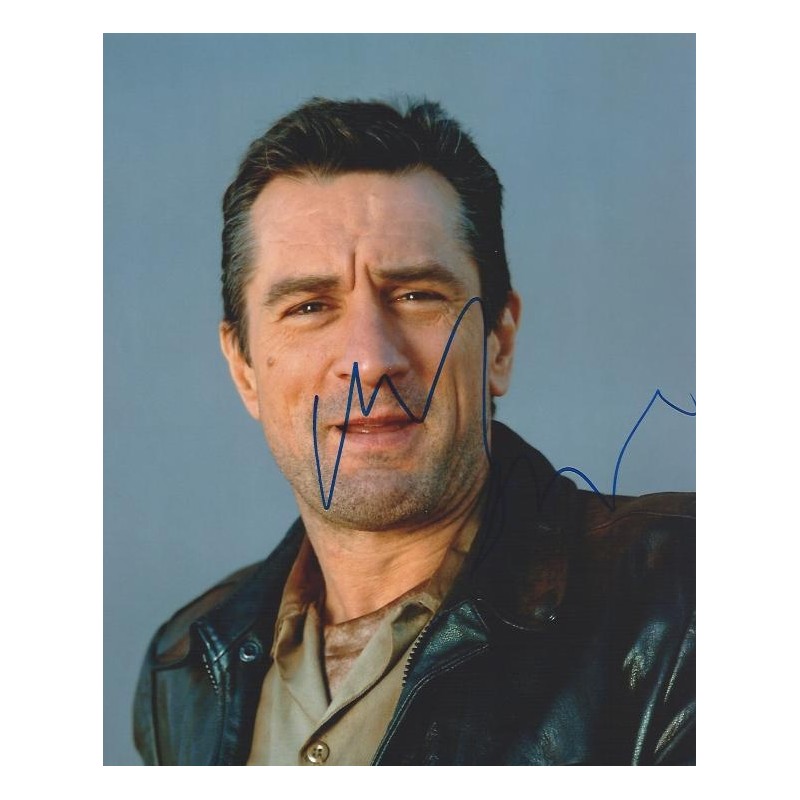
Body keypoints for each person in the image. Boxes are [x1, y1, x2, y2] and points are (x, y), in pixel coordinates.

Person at [133, 97, 695, 766]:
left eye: (416, 295)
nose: (370, 358)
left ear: (499, 342)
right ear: (244, 369)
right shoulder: (187, 668)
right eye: (310, 306)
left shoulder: (684, 602)